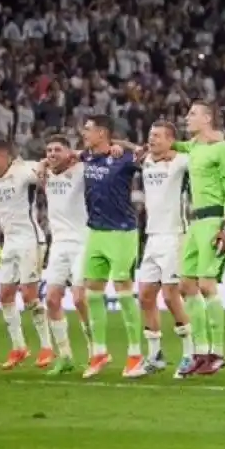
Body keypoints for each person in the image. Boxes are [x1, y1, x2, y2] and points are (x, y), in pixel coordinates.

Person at [172, 101, 225, 377]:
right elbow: (172, 145)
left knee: (207, 285)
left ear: (208, 118)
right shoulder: (194, 147)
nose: (187, 117)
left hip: (213, 221)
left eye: (192, 114)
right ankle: (200, 351)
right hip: (195, 223)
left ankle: (218, 352)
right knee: (186, 284)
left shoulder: (222, 148)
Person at [78, 116, 147, 379]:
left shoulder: (123, 158)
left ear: (102, 133)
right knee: (92, 292)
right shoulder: (86, 158)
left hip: (122, 233)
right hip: (95, 232)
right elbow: (63, 155)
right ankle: (99, 352)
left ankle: (135, 354)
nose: (84, 133)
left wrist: (120, 145)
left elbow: (144, 151)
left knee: (123, 290)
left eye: (88, 129)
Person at [0, 139, 52, 370]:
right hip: (9, 243)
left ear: (2, 156)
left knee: (29, 295)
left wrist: (42, 167)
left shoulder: (22, 171)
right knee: (5, 296)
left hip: (30, 240)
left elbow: (42, 166)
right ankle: (19, 347)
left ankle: (47, 347)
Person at [133, 122, 194, 378]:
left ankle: (190, 355)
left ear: (171, 140)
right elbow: (133, 149)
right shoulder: (145, 160)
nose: (152, 140)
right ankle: (155, 355)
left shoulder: (181, 161)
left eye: (157, 136)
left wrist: (178, 150)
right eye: (150, 135)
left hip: (174, 235)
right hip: (152, 237)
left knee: (170, 297)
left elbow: (198, 154)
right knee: (146, 295)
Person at [39, 135, 94, 375]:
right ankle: (66, 356)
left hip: (83, 240)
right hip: (58, 244)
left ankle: (96, 350)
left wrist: (78, 154)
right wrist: (42, 163)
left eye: (57, 150)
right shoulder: (44, 173)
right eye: (49, 150)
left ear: (69, 152)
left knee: (80, 298)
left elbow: (94, 154)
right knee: (51, 299)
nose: (52, 154)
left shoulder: (81, 170)